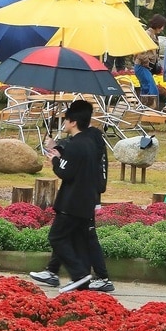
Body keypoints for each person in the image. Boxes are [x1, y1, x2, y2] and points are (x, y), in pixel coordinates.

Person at [42, 100, 109, 291]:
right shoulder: (90, 142)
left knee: (56, 237)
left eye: (66, 120)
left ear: (73, 122)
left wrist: (55, 159)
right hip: (87, 200)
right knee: (80, 240)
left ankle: (79, 274)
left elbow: (66, 172)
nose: (64, 124)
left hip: (72, 202)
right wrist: (58, 151)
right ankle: (82, 282)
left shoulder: (76, 145)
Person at [133, 15, 165, 98]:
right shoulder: (147, 34)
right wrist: (148, 63)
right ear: (158, 25)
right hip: (142, 66)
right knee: (152, 91)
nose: (162, 28)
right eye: (162, 26)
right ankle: (151, 109)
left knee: (146, 90)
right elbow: (141, 51)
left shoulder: (154, 35)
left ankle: (144, 108)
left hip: (145, 67)